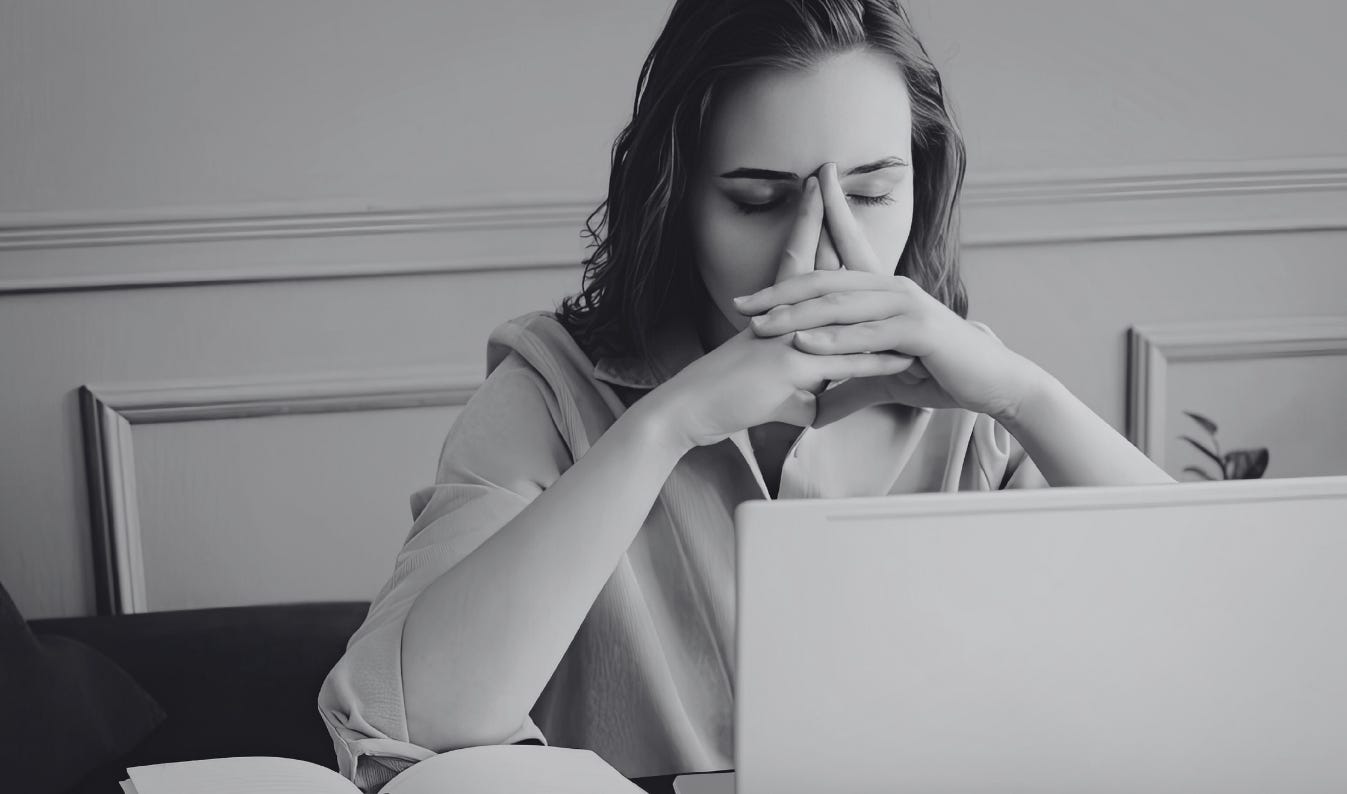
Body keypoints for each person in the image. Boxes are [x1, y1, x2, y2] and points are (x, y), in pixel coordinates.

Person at [318, 1, 1176, 791]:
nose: (826, 248)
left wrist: (1029, 398)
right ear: (676, 199)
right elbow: (408, 724)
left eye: (874, 192)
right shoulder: (546, 394)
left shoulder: (972, 410)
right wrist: (668, 424)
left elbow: (1207, 645)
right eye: (759, 200)